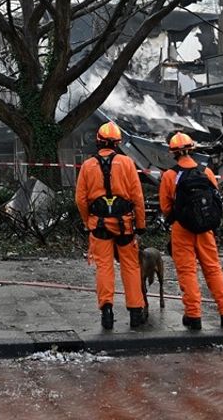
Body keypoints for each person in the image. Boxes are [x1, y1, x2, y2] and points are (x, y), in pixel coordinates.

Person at [159, 131, 223, 330]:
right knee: (212, 269)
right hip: (205, 230)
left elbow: (166, 207)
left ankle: (193, 316)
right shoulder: (207, 172)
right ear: (192, 149)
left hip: (181, 229)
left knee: (187, 272)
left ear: (173, 153)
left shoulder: (170, 176)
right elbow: (215, 200)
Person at [74, 121, 147, 330]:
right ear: (117, 143)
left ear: (98, 142)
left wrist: (87, 221)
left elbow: (80, 199)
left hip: (99, 225)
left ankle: (106, 312)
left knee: (104, 267)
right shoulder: (126, 163)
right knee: (131, 267)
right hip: (124, 225)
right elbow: (137, 197)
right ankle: (135, 312)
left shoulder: (88, 165)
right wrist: (140, 225)